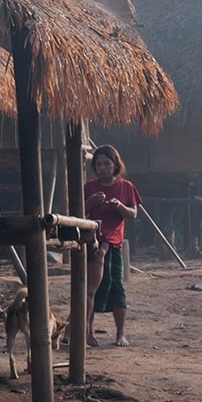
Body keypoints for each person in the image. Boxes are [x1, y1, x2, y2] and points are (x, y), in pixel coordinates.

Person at [84, 144, 141, 347]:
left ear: (115, 164)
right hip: (93, 242)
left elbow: (133, 214)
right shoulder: (89, 188)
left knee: (118, 289)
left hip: (114, 243)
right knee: (91, 289)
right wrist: (89, 203)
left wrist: (119, 206)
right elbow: (79, 214)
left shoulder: (126, 187)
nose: (102, 168)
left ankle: (120, 334)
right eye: (98, 164)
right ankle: (88, 332)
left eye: (107, 163)